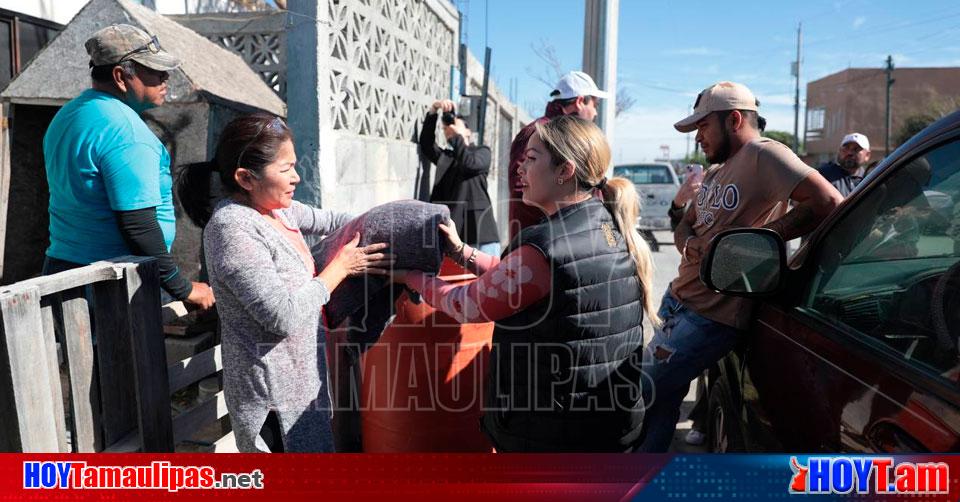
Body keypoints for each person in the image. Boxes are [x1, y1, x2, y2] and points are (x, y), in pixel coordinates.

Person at [395, 115, 658, 452]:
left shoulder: (548, 244)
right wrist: (463, 253)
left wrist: (411, 278)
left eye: (531, 159)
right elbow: (522, 280)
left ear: (565, 170)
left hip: (552, 437)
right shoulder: (604, 223)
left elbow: (469, 304)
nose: (519, 167)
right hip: (604, 426)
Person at [638, 82, 843, 452]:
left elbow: (828, 201)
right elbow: (685, 223)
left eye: (703, 127)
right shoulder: (716, 172)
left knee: (643, 393)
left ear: (733, 119)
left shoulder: (764, 155)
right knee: (660, 401)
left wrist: (758, 241)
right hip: (677, 303)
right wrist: (692, 242)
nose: (698, 137)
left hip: (709, 315)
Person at [176, 114, 393, 452]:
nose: (297, 177)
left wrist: (385, 228)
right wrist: (339, 269)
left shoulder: (279, 210)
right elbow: (282, 316)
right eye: (285, 169)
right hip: (272, 400)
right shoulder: (232, 228)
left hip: (304, 384)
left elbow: (333, 220)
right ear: (246, 178)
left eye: (294, 165)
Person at [42, 24, 213, 309]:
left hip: (63, 272)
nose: (165, 78)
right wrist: (182, 288)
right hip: (108, 285)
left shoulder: (69, 114)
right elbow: (139, 226)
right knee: (114, 355)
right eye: (155, 71)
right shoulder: (127, 133)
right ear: (121, 76)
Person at [506, 71, 610, 239]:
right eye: (595, 105)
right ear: (580, 101)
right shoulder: (538, 133)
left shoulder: (573, 137)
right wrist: (566, 219)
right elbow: (521, 188)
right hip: (541, 247)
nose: (595, 113)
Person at [420, 99, 500, 255]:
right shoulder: (447, 157)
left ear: (468, 132)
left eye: (455, 125)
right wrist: (434, 110)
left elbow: (470, 164)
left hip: (481, 233)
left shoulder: (482, 152)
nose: (450, 129)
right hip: (454, 232)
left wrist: (457, 138)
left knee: (490, 277)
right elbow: (426, 144)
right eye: (447, 128)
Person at [817, 132, 872, 197]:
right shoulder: (823, 175)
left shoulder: (871, 180)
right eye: (846, 148)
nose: (849, 153)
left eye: (856, 149)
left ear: (867, 155)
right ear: (839, 151)